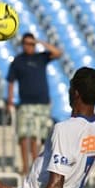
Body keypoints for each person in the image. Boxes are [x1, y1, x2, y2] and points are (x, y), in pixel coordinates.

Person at [7, 33, 62, 175]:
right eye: (26, 43)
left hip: (42, 103)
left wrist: (39, 41)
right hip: (25, 104)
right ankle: (26, 166)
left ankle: (36, 166)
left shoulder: (41, 57)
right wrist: (10, 100)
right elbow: (11, 81)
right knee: (25, 135)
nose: (29, 46)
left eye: (31, 44)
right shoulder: (18, 61)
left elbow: (58, 52)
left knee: (39, 136)